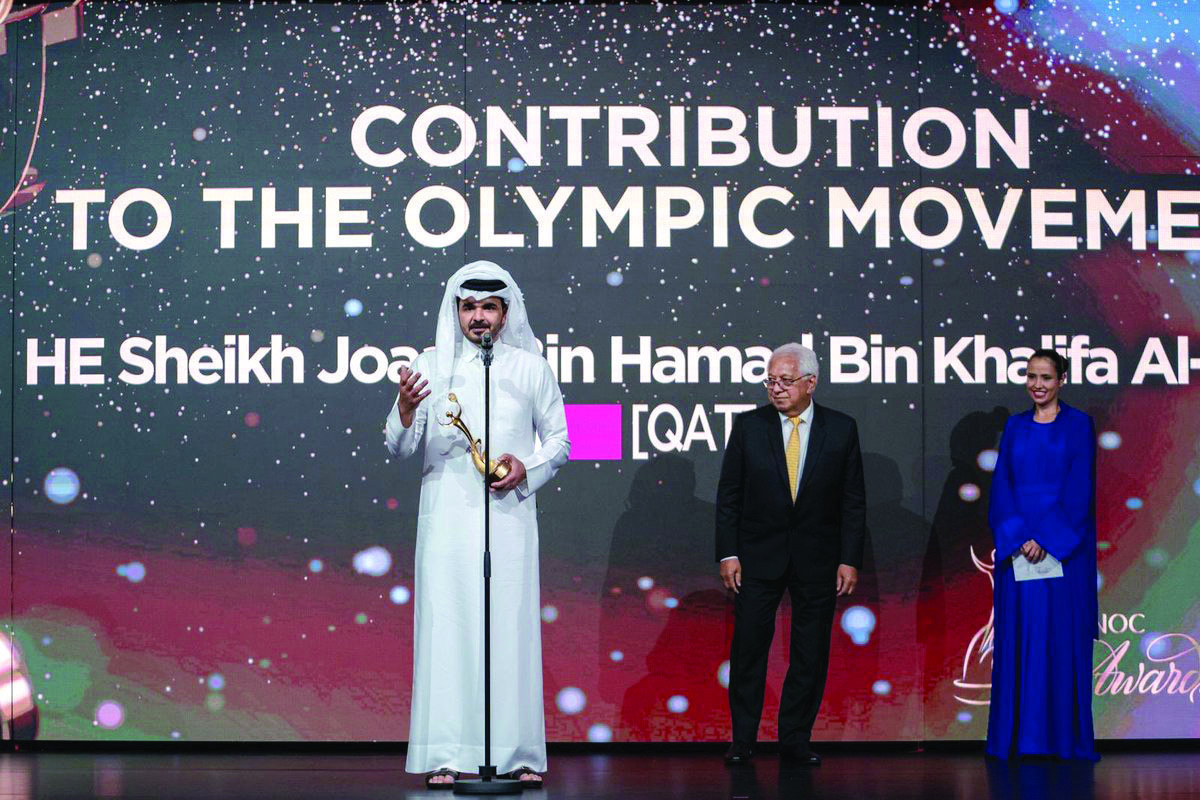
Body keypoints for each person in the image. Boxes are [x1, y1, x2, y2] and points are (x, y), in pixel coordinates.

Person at [385, 261, 571, 788]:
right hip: (446, 521)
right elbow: (397, 446)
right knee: (447, 629)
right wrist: (402, 408)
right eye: (469, 307)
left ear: (505, 313)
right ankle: (444, 753)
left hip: (509, 519)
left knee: (509, 629)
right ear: (456, 311)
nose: (479, 317)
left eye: (489, 307)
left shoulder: (530, 366)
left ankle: (518, 755)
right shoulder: (428, 365)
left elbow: (560, 440)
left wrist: (524, 468)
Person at [715, 342, 866, 765]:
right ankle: (742, 740)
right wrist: (728, 553)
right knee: (748, 650)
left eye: (785, 380)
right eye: (770, 380)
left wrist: (848, 558)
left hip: (817, 559)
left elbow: (852, 501)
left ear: (810, 383)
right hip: (757, 558)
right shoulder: (749, 427)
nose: (776, 389)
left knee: (809, 651)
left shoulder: (841, 429)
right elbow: (729, 496)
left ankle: (795, 740)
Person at [986, 348, 1099, 761]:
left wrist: (1047, 538)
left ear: (1062, 380)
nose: (1037, 384)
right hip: (1019, 553)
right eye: (1031, 376)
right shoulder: (1015, 426)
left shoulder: (1079, 425)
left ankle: (1063, 740)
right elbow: (1002, 486)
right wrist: (1019, 536)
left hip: (1064, 553)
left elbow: (1079, 489)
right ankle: (1018, 739)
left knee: (1061, 639)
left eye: (1046, 378)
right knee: (1019, 639)